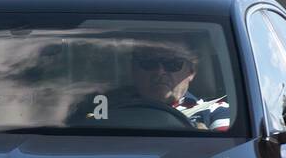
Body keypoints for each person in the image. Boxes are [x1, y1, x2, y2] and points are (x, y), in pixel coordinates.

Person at [71, 34, 231, 131]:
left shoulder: (215, 111)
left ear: (191, 71)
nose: (160, 71)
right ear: (134, 69)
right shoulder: (104, 107)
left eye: (172, 63)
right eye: (149, 62)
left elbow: (226, 157)